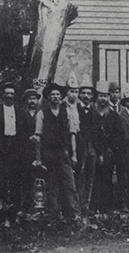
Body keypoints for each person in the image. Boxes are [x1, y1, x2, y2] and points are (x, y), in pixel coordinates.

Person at [34, 83, 80, 220]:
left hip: (63, 153)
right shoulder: (42, 114)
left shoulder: (67, 113)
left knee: (70, 185)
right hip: (48, 154)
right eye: (52, 95)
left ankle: (74, 216)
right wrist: (39, 158)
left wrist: (74, 155)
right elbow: (38, 137)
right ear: (48, 97)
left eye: (57, 95)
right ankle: (52, 217)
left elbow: (72, 134)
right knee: (51, 186)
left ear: (61, 97)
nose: (55, 97)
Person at [91, 81, 125, 213]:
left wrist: (111, 148)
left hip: (108, 152)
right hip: (94, 150)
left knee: (107, 179)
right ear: (97, 97)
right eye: (101, 96)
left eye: (105, 96)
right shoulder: (92, 114)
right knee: (94, 179)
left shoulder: (113, 115)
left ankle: (106, 207)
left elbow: (119, 133)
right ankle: (93, 207)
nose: (103, 99)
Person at [0, 83, 25, 213]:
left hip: (16, 147)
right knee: (1, 177)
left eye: (11, 94)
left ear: (15, 96)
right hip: (0, 147)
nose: (9, 96)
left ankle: (15, 209)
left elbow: (23, 133)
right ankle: (1, 207)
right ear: (2, 95)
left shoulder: (20, 113)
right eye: (7, 93)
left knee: (16, 178)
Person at [76, 75, 100, 215]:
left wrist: (98, 150)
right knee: (79, 175)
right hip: (80, 148)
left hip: (92, 149)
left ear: (92, 97)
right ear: (79, 95)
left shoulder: (95, 112)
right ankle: (76, 205)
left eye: (88, 94)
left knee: (90, 177)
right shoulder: (75, 110)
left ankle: (86, 205)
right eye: (83, 93)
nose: (86, 96)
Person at [21, 88, 41, 213]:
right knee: (26, 179)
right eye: (29, 98)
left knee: (39, 179)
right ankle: (26, 207)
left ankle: (39, 205)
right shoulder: (22, 114)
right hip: (25, 151)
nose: (32, 101)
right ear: (26, 101)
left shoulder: (41, 113)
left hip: (39, 151)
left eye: (34, 98)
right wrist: (28, 138)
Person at [61, 72, 81, 172]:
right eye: (72, 91)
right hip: (65, 140)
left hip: (78, 140)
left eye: (76, 92)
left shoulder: (79, 107)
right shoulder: (62, 106)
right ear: (67, 92)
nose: (74, 95)